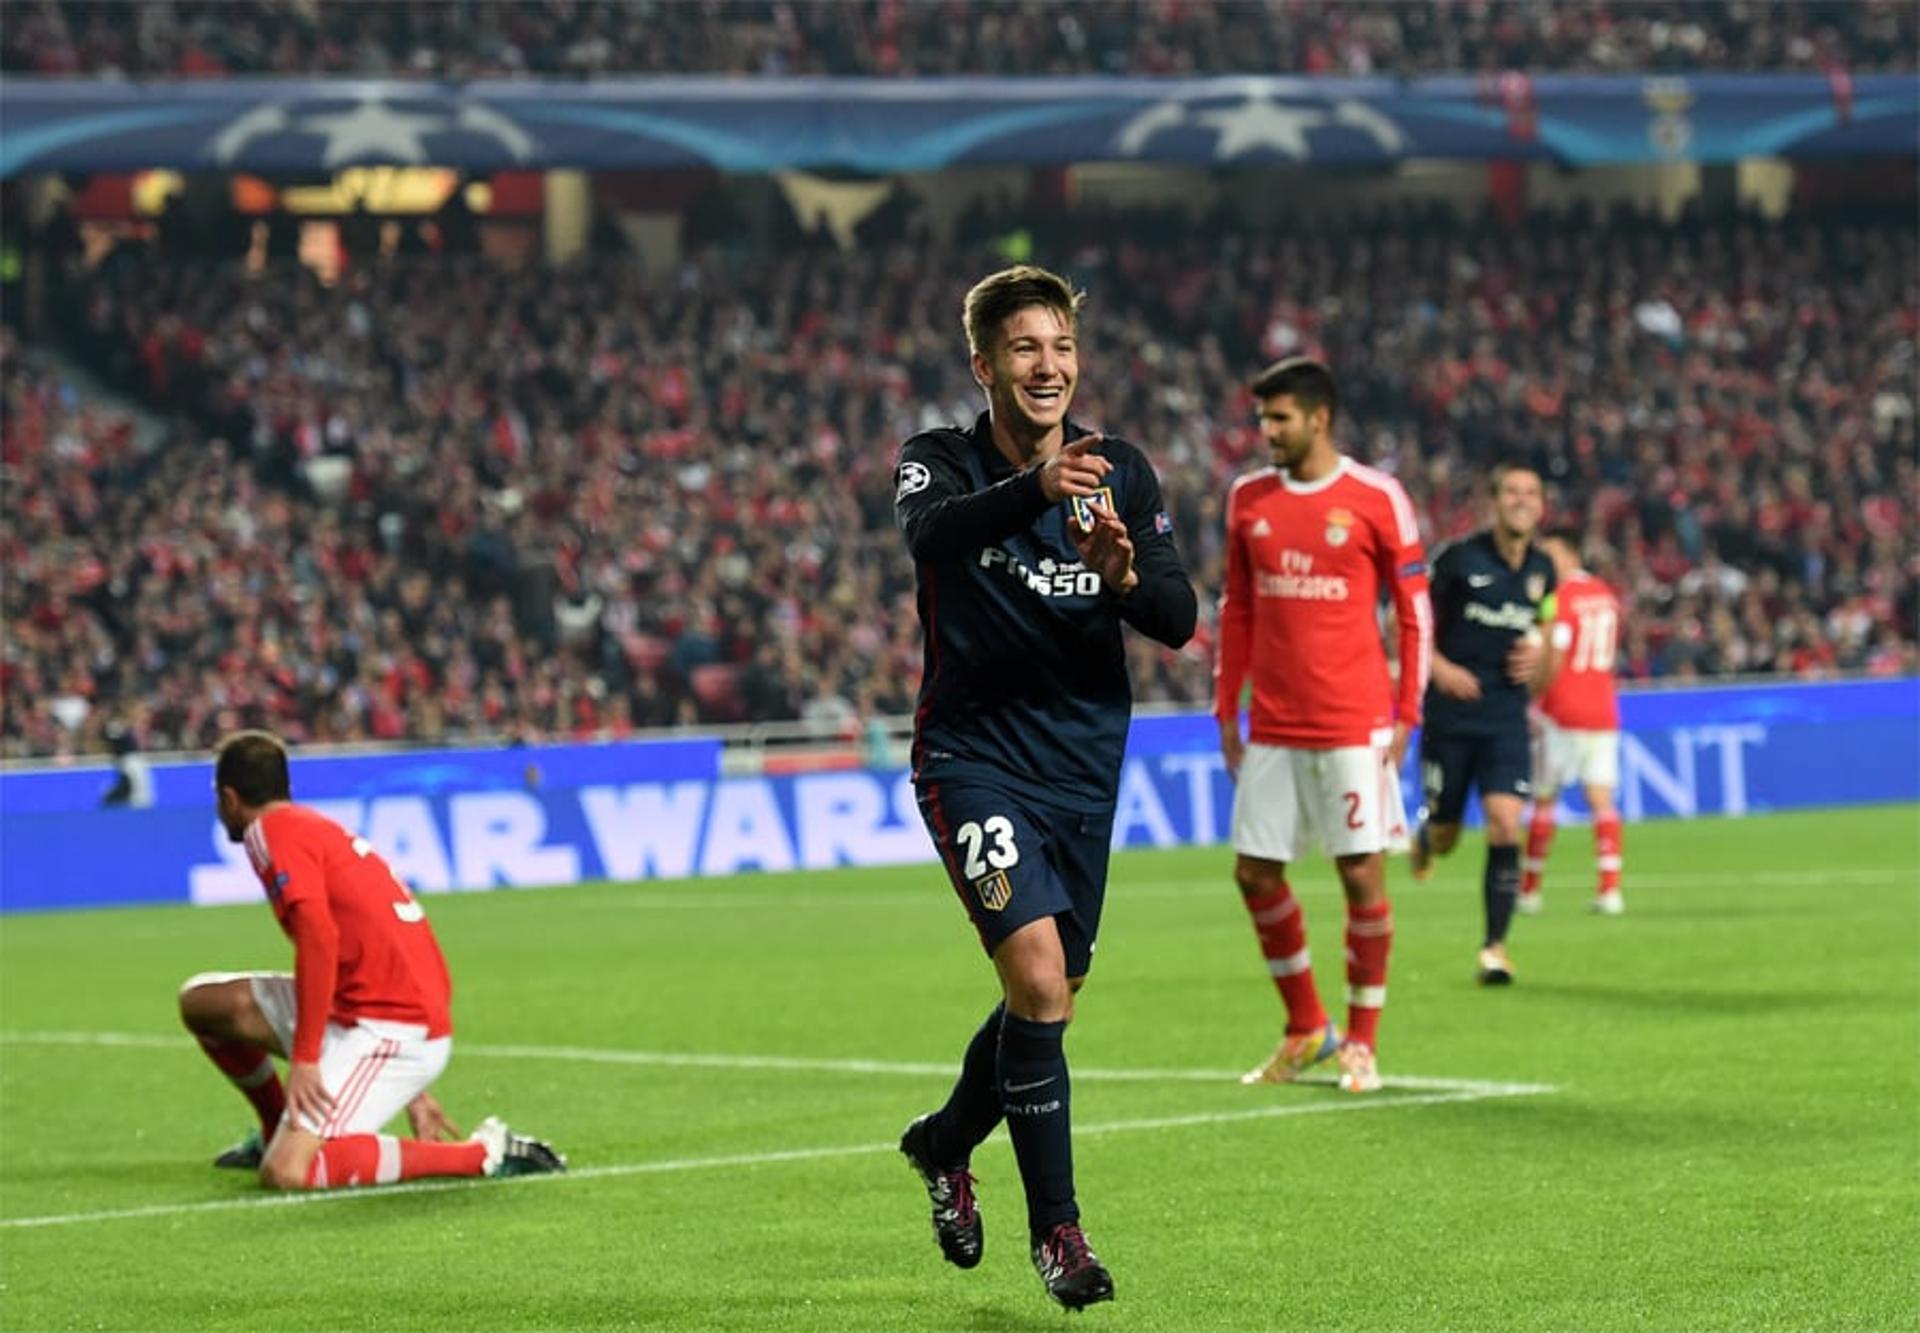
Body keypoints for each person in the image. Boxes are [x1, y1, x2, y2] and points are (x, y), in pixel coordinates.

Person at [892, 265, 1196, 1310]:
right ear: (984, 366)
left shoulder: (1123, 471)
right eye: (1025, 348)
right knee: (1035, 977)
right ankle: (1059, 1232)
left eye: (1061, 346)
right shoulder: (937, 462)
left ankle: (942, 1143)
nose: (1049, 366)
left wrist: (1117, 573)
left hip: (1081, 769)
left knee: (1051, 990)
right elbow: (932, 539)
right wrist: (1038, 490)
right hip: (972, 757)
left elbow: (1175, 614)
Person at [178, 730, 565, 1190]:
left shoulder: (267, 834)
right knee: (205, 1004)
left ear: (229, 798)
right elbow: (361, 945)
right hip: (369, 1006)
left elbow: (319, 938)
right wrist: (411, 1092)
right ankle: (274, 1128)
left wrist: (305, 1060)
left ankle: (481, 1153)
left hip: (390, 1026)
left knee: (289, 1172)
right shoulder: (308, 828)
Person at [1214, 357, 1432, 1095]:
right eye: (1263, 419)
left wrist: (1409, 711)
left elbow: (1414, 612)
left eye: (1279, 419)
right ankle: (1307, 1025)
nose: (1267, 432)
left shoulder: (1378, 497)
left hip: (1353, 722)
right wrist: (1226, 705)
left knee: (1360, 875)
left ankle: (1362, 1041)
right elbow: (1236, 608)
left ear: (1319, 417)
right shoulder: (1248, 499)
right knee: (1253, 871)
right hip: (1274, 721)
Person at [1409, 463, 1555, 985]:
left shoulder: (1544, 571)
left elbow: (1546, 641)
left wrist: (1542, 656)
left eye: (1531, 493)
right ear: (1494, 502)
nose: (1521, 500)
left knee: (1504, 822)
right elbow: (1405, 618)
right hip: (1449, 720)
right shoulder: (1456, 560)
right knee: (1449, 835)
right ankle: (1429, 834)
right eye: (1512, 491)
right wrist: (1439, 668)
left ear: (1541, 506)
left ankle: (1495, 948)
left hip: (1505, 720)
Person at [1523, 528, 1626, 916]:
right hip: (1603, 709)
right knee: (1601, 801)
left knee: (1544, 799)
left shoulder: (1560, 598)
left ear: (1569, 555)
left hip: (1562, 710)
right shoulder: (1605, 594)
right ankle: (1611, 890)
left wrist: (1535, 700)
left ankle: (1530, 891)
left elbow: (1556, 652)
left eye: (1551, 555)